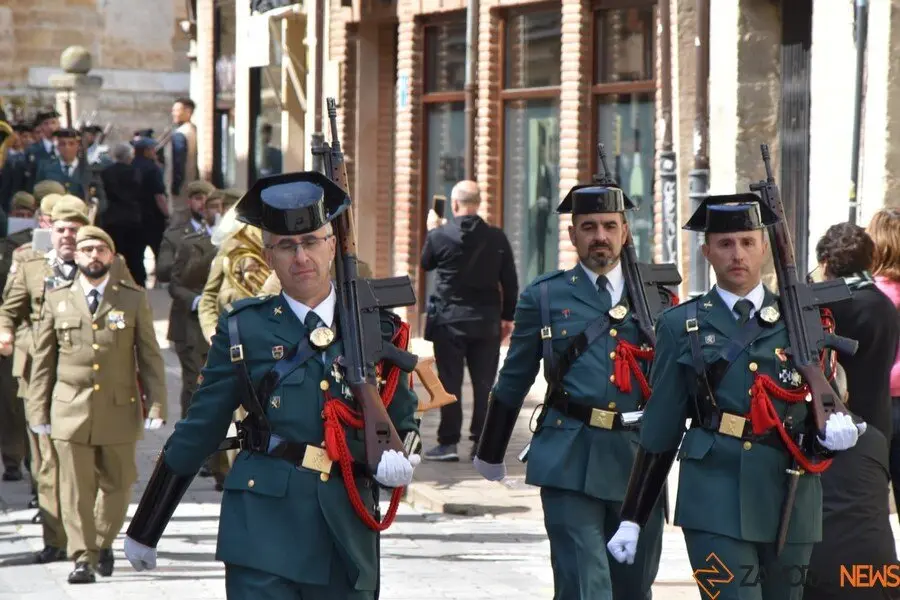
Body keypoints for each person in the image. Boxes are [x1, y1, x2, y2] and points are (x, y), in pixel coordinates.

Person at [122, 171, 421, 600]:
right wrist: (148, 524)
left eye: (312, 241)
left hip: (346, 523)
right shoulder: (246, 327)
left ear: (332, 245)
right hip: (262, 529)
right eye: (286, 246)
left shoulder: (377, 327)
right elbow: (202, 425)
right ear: (269, 256)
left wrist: (403, 457)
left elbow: (402, 412)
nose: (301, 256)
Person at [606, 194, 865, 600]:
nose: (737, 254)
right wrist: (633, 517)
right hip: (714, 496)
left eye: (747, 242)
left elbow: (822, 403)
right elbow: (660, 429)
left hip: (790, 497)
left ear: (764, 247)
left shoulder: (803, 322)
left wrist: (832, 434)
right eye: (725, 244)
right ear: (707, 251)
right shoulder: (682, 325)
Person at [473, 184, 675, 600]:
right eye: (588, 227)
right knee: (586, 584)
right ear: (572, 236)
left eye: (608, 226)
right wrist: (490, 450)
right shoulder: (545, 295)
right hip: (569, 454)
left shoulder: (660, 298)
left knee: (633, 588)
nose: (599, 235)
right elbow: (515, 376)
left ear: (625, 232)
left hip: (638, 459)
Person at [27, 225, 167, 584]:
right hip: (68, 411)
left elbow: (150, 356)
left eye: (100, 250)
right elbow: (43, 360)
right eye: (86, 249)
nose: (93, 256)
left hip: (119, 409)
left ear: (111, 255)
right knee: (74, 490)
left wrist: (157, 405)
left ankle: (103, 540)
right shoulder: (57, 298)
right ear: (77, 254)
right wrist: (38, 410)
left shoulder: (132, 298)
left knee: (120, 486)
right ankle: (82, 557)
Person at [0, 197, 135, 565]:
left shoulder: (105, 262)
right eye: (61, 229)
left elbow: (131, 307)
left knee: (91, 468)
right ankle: (55, 539)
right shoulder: (29, 263)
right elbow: (8, 310)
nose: (68, 237)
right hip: (38, 376)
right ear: (50, 229)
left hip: (93, 383)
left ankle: (90, 537)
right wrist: (6, 333)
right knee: (47, 465)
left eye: (75, 230)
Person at [421, 180, 518, 461]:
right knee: (485, 383)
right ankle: (481, 443)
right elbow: (510, 282)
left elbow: (427, 263)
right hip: (486, 321)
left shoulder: (440, 235)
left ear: (454, 205)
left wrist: (432, 230)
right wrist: (507, 318)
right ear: (479, 203)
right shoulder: (497, 238)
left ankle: (448, 443)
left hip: (449, 321)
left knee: (449, 382)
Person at [804, 364, 900, 600]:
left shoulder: (792, 442)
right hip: (881, 574)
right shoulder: (875, 438)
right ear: (846, 396)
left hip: (817, 575)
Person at [814, 222, 899, 439]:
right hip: (879, 425)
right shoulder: (885, 304)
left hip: (841, 428)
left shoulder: (829, 309)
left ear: (825, 264)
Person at [167, 187, 224, 419]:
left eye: (222, 207)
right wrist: (198, 300)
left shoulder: (243, 242)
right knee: (196, 388)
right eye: (213, 207)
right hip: (193, 326)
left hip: (228, 326)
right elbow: (174, 284)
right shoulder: (190, 242)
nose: (218, 212)